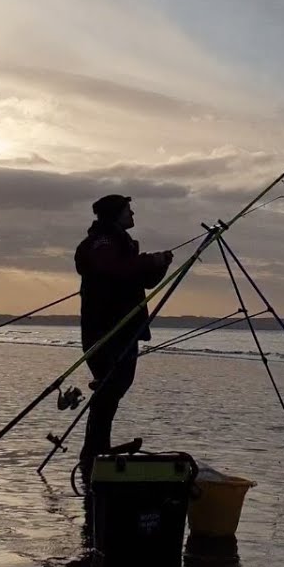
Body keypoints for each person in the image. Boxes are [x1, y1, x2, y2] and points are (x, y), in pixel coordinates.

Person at [74, 194, 173, 482]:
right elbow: (113, 269)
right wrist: (146, 261)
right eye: (129, 210)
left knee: (115, 388)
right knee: (109, 388)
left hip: (126, 329)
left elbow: (142, 280)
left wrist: (160, 264)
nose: (133, 215)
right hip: (105, 329)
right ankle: (93, 451)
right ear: (116, 214)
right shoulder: (101, 242)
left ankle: (96, 449)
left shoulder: (122, 244)